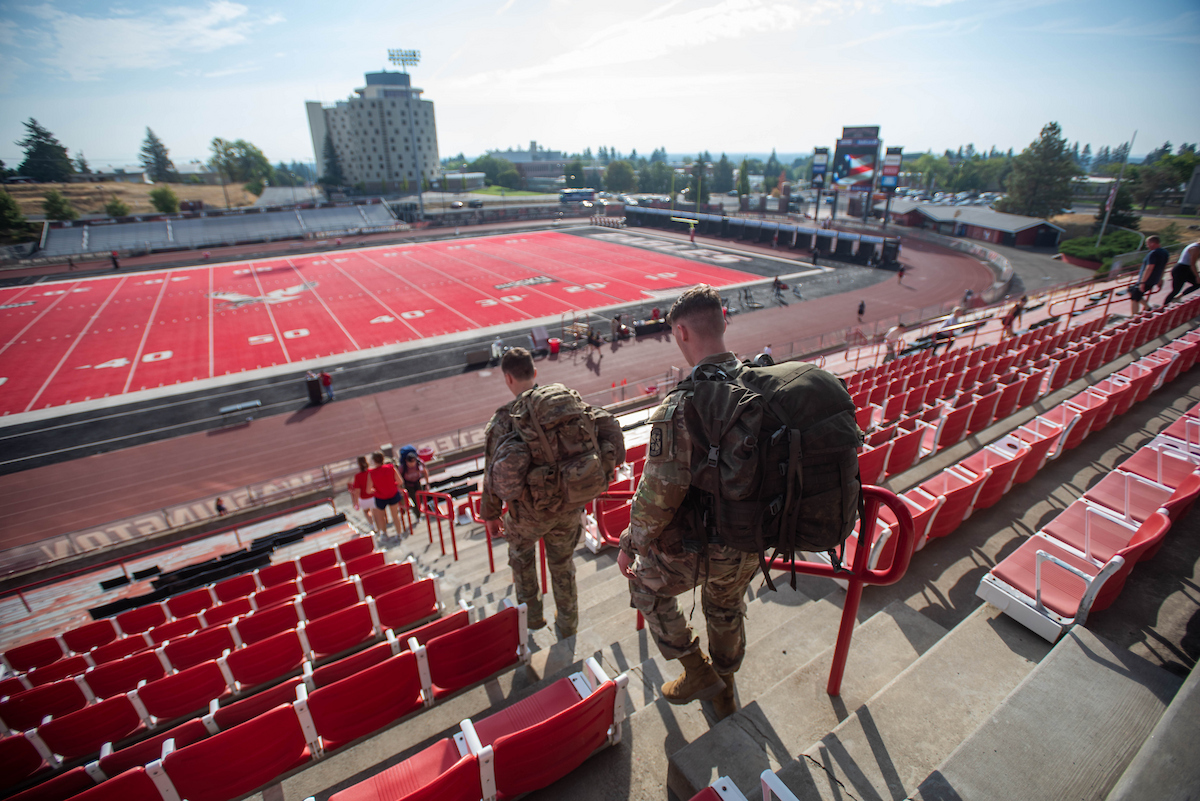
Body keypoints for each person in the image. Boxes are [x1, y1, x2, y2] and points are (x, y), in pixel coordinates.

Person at [617, 284, 761, 721]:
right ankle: (726, 687)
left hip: (704, 548)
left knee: (643, 584)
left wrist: (630, 542)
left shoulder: (681, 405)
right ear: (723, 323)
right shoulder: (763, 384)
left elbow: (658, 496)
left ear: (680, 332)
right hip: (755, 538)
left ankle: (696, 670)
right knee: (726, 606)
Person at [481, 348, 625, 637]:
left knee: (522, 562)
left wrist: (491, 514)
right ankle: (568, 623)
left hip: (528, 514)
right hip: (568, 506)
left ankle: (532, 619)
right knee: (562, 564)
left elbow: (491, 473)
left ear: (508, 378)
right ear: (534, 373)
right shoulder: (563, 404)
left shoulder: (504, 420)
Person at [369, 451, 407, 540]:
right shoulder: (390, 468)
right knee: (395, 515)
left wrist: (376, 489)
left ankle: (384, 533)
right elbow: (400, 481)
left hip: (380, 496)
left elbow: (368, 489)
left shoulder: (372, 473)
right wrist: (393, 484)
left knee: (381, 517)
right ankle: (399, 534)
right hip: (392, 493)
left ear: (374, 461)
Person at [1130, 235, 1168, 314]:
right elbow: (1163, 267)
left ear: (1152, 243)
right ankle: (1147, 308)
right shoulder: (1165, 252)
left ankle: (1134, 316)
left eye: (1148, 244)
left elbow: (1149, 268)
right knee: (1131, 290)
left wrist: (1142, 282)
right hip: (1155, 279)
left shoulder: (1153, 253)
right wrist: (1160, 279)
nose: (1147, 246)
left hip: (1147, 280)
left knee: (1135, 298)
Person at [349, 455, 383, 534]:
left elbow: (357, 491)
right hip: (374, 496)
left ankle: (372, 525)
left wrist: (356, 502)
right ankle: (380, 528)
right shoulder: (371, 472)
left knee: (366, 512)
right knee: (376, 512)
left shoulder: (357, 476)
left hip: (364, 498)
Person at [1163, 240, 1200, 304]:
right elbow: (1192, 264)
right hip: (1180, 269)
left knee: (1198, 284)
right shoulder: (1195, 248)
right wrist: (1197, 276)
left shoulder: (1197, 247)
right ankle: (1163, 307)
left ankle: (1177, 297)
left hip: (1187, 269)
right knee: (1175, 290)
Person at [400, 451, 430, 519]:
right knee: (414, 500)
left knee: (421, 498)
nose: (412, 464)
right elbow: (399, 479)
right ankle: (418, 515)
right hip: (408, 484)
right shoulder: (402, 468)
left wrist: (427, 483)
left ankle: (421, 510)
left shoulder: (419, 464)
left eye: (413, 462)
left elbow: (425, 472)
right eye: (410, 463)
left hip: (417, 482)